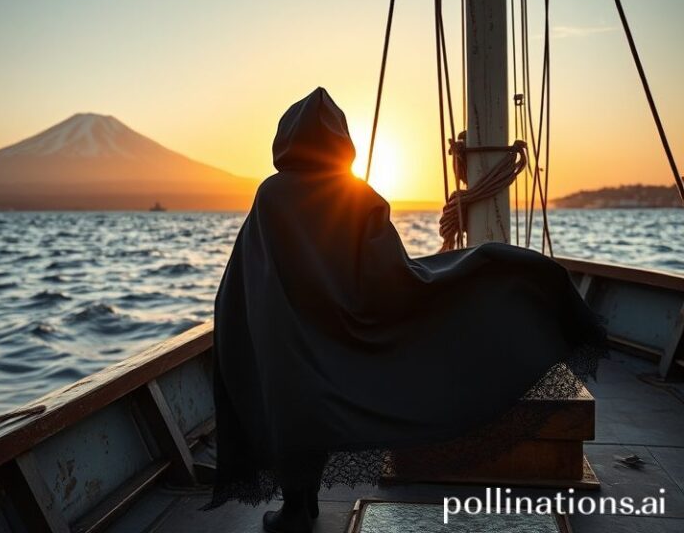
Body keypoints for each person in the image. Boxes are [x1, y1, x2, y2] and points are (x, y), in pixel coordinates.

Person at [206, 87, 605, 532]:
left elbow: (243, 279)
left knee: (293, 403)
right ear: (342, 141)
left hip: (287, 343)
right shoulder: (359, 195)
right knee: (324, 394)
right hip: (344, 338)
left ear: (286, 138)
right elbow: (389, 277)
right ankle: (302, 507)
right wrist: (467, 271)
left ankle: (300, 507)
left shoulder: (270, 196)